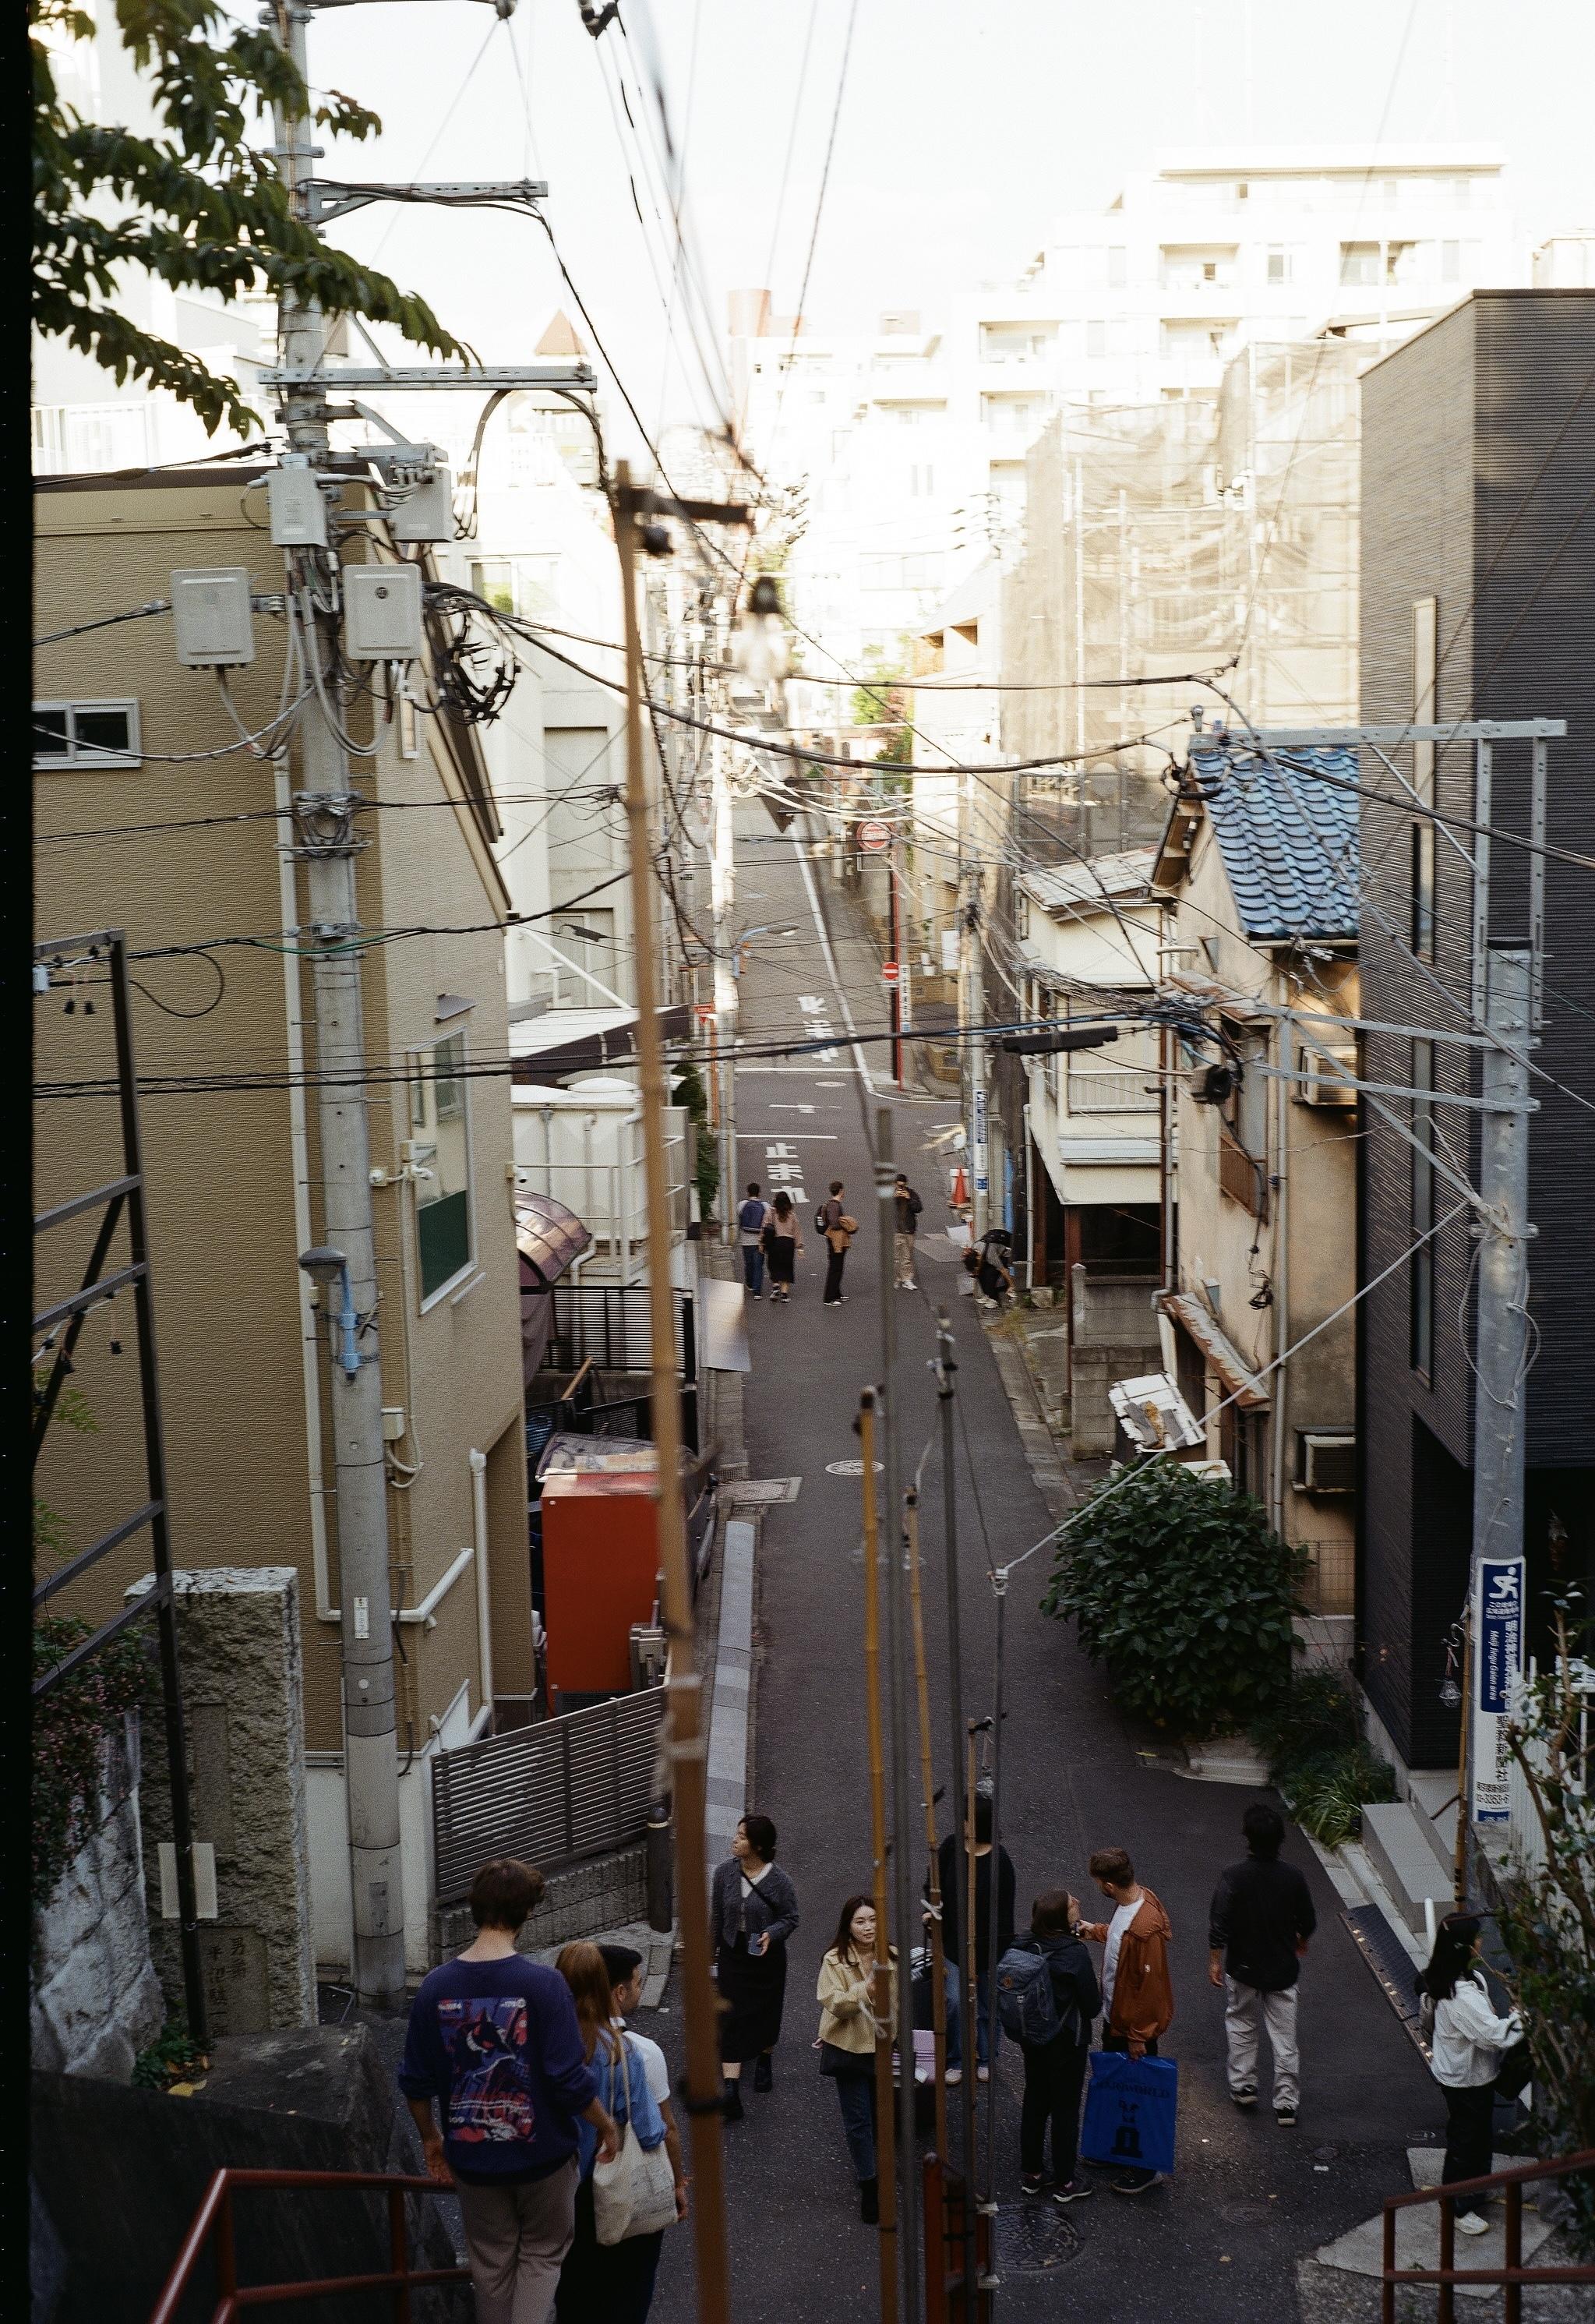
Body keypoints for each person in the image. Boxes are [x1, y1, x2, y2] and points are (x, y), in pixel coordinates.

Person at [398, 1858, 619, 2324]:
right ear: (526, 1914)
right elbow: (566, 2078)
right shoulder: (544, 1985)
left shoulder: (435, 1987)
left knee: (492, 2265)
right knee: (541, 2257)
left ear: (475, 1909)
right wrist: (606, 2124)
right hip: (542, 2156)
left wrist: (430, 2138)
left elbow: (416, 2080)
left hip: (473, 2158)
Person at [552, 1944, 672, 2324]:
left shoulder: (545, 2045)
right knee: (626, 2288)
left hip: (556, 2185)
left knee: (572, 2289)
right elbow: (652, 2131)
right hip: (607, 2183)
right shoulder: (619, 2050)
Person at [1208, 1800, 1317, 2127]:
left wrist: (1215, 1960)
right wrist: (1299, 1940)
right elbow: (1308, 1920)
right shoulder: (1293, 1877)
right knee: (1285, 2037)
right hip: (1282, 1970)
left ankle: (1243, 2086)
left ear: (1248, 1838)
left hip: (1242, 1966)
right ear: (1281, 1839)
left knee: (1241, 2022)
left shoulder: (1234, 1876)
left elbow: (1219, 1920)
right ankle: (1286, 2103)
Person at [1417, 1913, 1526, 2235]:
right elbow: (1494, 2035)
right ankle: (1458, 2205)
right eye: (1476, 1938)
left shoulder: (1460, 1980)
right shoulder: (1460, 1995)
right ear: (1464, 1946)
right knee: (1467, 2141)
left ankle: (1473, 2190)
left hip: (1464, 2073)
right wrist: (1522, 2017)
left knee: (1475, 2136)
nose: (1481, 1943)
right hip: (1466, 2080)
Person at [597, 1944, 688, 2319]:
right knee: (632, 2290)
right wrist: (678, 2184)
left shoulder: (561, 2043)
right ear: (619, 1993)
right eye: (636, 1982)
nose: (638, 1988)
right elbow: (664, 2131)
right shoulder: (642, 2052)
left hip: (571, 2189)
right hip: (625, 2189)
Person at [1078, 1845, 1174, 2195]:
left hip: (1132, 2027)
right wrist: (1096, 1931)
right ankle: (1120, 2151)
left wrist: (1139, 2035)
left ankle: (1147, 2168)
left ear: (1107, 1885)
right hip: (1117, 2018)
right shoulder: (1133, 1904)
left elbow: (1149, 1988)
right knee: (1122, 2090)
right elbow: (1121, 1941)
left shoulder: (1144, 1928)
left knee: (1139, 2095)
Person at [1009, 1890, 1101, 2204]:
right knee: (1065, 2109)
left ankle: (1032, 2175)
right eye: (1073, 1903)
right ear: (1061, 1917)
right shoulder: (1073, 1954)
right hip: (1066, 2042)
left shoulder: (1022, 1943)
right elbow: (1091, 2007)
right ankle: (1066, 2180)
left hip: (1031, 2037)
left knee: (1035, 2100)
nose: (1078, 1903)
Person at [711, 1813, 799, 2119]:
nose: (735, 1840)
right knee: (731, 2017)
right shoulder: (724, 1873)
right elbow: (718, 1918)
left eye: (742, 1836)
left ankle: (764, 2057)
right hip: (733, 1954)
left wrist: (771, 1934)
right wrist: (710, 1957)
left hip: (766, 1958)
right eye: (737, 1834)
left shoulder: (780, 1881)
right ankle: (731, 2090)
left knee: (766, 2012)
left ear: (758, 1846)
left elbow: (791, 1917)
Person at [816, 1895, 898, 2223]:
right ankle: (869, 2184)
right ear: (848, 1927)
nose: (868, 1927)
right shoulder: (834, 1959)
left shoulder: (890, 1956)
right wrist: (865, 1990)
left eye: (873, 1920)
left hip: (881, 2046)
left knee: (882, 2114)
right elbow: (832, 2001)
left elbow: (898, 2004)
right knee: (858, 2120)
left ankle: (877, 2166)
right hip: (849, 2047)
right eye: (860, 1921)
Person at [932, 1792, 1015, 2083]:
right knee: (954, 2000)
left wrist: (997, 1951)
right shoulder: (951, 1847)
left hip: (988, 1945)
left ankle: (986, 2055)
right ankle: (956, 2057)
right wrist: (933, 1911)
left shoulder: (1000, 1862)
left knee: (986, 2004)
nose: (961, 1822)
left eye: (966, 1818)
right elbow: (933, 1884)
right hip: (954, 1941)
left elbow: (1006, 1913)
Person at [761, 1191, 803, 1304]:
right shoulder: (791, 1215)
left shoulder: (770, 1213)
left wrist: (761, 1243)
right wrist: (799, 1247)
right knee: (786, 1268)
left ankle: (775, 1286)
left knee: (773, 1265)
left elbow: (764, 1228)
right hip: (788, 1243)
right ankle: (784, 1295)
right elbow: (797, 1231)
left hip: (775, 1242)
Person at [817, 1180, 852, 1307]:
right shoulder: (834, 1205)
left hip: (834, 1239)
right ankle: (829, 1297)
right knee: (835, 1267)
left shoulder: (832, 1204)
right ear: (841, 1191)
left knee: (837, 1266)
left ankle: (837, 1293)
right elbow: (834, 1223)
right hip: (835, 1239)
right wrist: (845, 1222)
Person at [737, 1181, 771, 1298]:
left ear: (748, 1193)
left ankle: (750, 1284)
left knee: (748, 1263)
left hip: (745, 1240)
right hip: (760, 1240)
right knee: (758, 1265)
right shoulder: (765, 1205)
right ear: (759, 1193)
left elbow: (739, 1216)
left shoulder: (742, 1204)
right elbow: (769, 1220)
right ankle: (757, 1292)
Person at [892, 1172, 923, 1291]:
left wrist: (909, 1199)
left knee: (907, 1256)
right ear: (894, 1184)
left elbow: (919, 1208)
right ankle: (896, 1278)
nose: (901, 1188)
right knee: (895, 1257)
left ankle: (907, 1279)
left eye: (903, 1186)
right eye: (899, 1186)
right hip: (895, 1230)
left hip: (909, 1229)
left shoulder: (911, 1193)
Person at [976, 1227, 1013, 1308]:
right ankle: (987, 1295)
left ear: (978, 1258)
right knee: (979, 1273)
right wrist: (976, 1271)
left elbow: (1003, 1270)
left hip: (1005, 1256)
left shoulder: (991, 1256)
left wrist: (1011, 1286)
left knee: (990, 1273)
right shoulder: (975, 1247)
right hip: (989, 1256)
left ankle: (994, 1300)